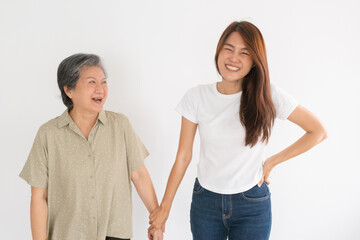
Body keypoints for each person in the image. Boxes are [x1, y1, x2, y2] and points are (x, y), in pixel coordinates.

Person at [148, 21, 327, 240]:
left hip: (252, 204)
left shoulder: (267, 95)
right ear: (219, 51)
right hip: (206, 202)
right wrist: (164, 208)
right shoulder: (196, 97)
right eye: (229, 49)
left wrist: (272, 161)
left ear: (254, 61)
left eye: (244, 52)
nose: (234, 58)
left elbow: (317, 131)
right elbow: (183, 156)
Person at [19, 53, 163, 240]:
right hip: (68, 234)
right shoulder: (48, 134)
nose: (100, 89)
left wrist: (156, 222)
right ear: (69, 90)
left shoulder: (120, 125)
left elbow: (139, 175)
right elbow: (39, 197)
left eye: (103, 82)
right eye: (91, 82)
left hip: (114, 233)